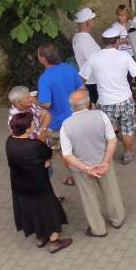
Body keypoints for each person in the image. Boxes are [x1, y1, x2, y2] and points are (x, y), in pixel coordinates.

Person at [79, 28, 136, 164]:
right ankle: (127, 153)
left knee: (106, 131)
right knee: (127, 129)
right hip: (125, 101)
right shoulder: (124, 56)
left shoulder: (93, 58)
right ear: (117, 41)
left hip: (105, 103)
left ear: (103, 42)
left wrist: (82, 98)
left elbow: (82, 79)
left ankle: (105, 156)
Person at [60, 88, 125, 237]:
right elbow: (112, 140)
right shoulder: (101, 116)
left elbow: (67, 155)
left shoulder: (66, 125)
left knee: (89, 199)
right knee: (111, 192)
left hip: (81, 169)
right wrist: (105, 162)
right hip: (102, 163)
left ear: (71, 106)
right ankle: (117, 219)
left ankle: (98, 229)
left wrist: (86, 169)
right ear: (88, 102)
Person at [5, 111, 72, 254]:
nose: (34, 124)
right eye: (32, 123)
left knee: (31, 210)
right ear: (27, 128)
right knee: (47, 209)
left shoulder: (9, 141)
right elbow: (48, 154)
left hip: (19, 185)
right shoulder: (34, 145)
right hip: (38, 184)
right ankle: (54, 241)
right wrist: (41, 139)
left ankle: (41, 237)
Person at [36, 43, 84, 184]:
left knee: (65, 152)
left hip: (58, 124)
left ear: (43, 58)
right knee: (79, 148)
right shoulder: (69, 68)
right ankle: (85, 168)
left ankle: (78, 177)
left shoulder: (45, 78)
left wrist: (36, 101)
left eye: (38, 55)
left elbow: (46, 103)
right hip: (77, 117)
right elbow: (81, 88)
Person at [72, 7, 101, 104]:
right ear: (87, 22)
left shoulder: (78, 36)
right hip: (94, 79)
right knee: (99, 105)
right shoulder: (85, 40)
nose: (94, 22)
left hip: (90, 78)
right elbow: (95, 61)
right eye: (92, 20)